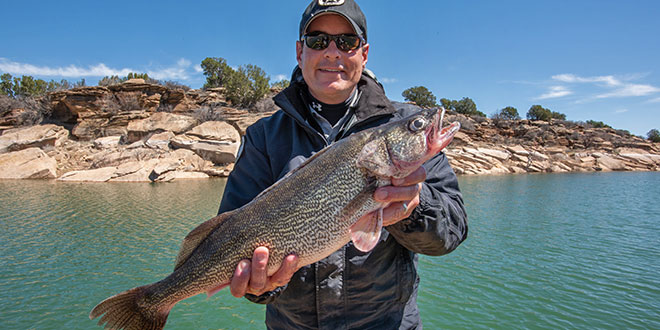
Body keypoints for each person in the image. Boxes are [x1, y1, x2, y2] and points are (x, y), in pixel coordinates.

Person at [218, 0, 468, 329]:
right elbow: (230, 241)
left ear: (364, 53)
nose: (333, 52)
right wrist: (261, 286)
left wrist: (414, 207)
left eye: (347, 42)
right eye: (318, 41)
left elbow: (451, 232)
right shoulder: (263, 137)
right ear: (299, 52)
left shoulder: (402, 122)